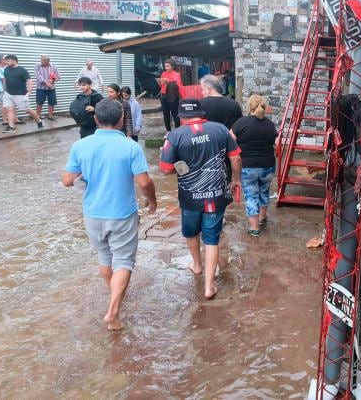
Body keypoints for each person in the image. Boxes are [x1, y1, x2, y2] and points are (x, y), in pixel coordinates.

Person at [62, 98, 157, 331]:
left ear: (95, 119)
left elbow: (67, 181)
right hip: (122, 214)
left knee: (105, 258)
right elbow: (144, 181)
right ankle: (113, 311)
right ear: (122, 120)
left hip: (92, 214)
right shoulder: (130, 147)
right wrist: (152, 200)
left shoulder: (80, 146)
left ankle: (115, 294)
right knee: (123, 261)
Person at [160, 99, 240, 300]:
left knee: (191, 232)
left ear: (180, 116)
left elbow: (166, 169)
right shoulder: (221, 129)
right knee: (212, 238)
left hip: (189, 198)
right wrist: (236, 180)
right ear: (202, 113)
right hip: (216, 196)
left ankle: (196, 265)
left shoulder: (175, 136)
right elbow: (236, 157)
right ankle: (209, 286)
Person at [230, 94, 277, 237]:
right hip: (268, 165)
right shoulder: (270, 124)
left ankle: (254, 228)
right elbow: (275, 141)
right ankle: (262, 218)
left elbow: (230, 141)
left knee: (251, 196)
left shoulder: (241, 123)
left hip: (248, 166)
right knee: (264, 191)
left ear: (249, 106)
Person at [2, 55, 43, 133]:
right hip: (8, 93)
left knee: (27, 110)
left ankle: (39, 121)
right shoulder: (6, 69)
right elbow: (5, 79)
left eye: (8, 61)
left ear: (14, 60)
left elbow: (30, 81)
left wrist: (29, 92)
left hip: (20, 94)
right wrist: (4, 90)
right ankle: (11, 127)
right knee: (10, 110)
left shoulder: (22, 70)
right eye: (6, 61)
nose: (6, 62)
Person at [157, 59, 183, 132]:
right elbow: (161, 86)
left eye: (168, 66)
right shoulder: (163, 73)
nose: (166, 68)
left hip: (173, 96)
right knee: (166, 114)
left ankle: (177, 131)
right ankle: (168, 131)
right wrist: (159, 81)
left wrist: (168, 82)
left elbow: (178, 86)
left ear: (173, 66)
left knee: (175, 114)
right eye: (165, 66)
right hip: (164, 95)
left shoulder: (177, 74)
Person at [34, 55, 60, 121]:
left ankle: (50, 116)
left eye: (43, 60)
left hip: (51, 88)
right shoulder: (38, 66)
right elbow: (38, 76)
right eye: (41, 60)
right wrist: (46, 83)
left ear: (48, 61)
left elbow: (57, 76)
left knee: (52, 102)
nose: (41, 61)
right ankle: (37, 116)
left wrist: (53, 80)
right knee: (39, 102)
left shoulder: (53, 66)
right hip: (41, 88)